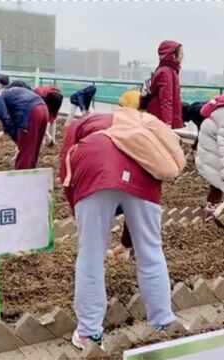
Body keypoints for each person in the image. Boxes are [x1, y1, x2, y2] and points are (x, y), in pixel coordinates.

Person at [59, 111, 176, 350]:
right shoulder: (138, 128)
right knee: (151, 252)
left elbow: (67, 173)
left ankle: (89, 333)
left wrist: (78, 210)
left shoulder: (79, 127)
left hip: (94, 169)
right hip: (144, 171)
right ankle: (163, 323)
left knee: (91, 255)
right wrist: (127, 242)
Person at [0, 81, 49, 169]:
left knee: (24, 155)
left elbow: (7, 120)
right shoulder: (3, 92)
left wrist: (18, 141)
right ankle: (31, 175)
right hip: (43, 108)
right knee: (32, 151)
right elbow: (10, 114)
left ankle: (22, 179)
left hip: (29, 112)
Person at [144, 40, 185, 129]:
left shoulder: (169, 70)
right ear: (173, 55)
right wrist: (167, 123)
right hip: (159, 115)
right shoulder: (166, 72)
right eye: (181, 53)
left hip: (159, 114)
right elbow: (166, 99)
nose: (183, 56)